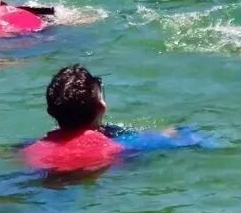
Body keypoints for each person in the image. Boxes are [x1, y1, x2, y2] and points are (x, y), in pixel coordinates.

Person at [22, 65, 208, 173]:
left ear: (50, 112)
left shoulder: (32, 148)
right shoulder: (119, 145)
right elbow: (179, 140)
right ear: (102, 107)